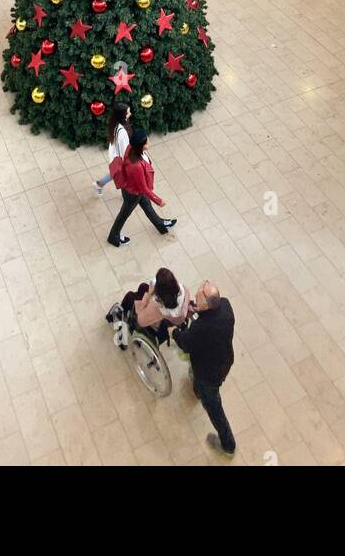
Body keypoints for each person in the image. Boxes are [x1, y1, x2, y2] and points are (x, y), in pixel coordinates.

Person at [173, 281, 236, 456]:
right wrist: (197, 309)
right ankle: (199, 391)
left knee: (214, 407)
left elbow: (186, 344)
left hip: (208, 373)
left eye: (200, 292)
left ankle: (228, 444)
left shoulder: (201, 328)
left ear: (206, 304)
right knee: (199, 383)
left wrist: (174, 332)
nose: (200, 287)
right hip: (224, 359)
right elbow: (207, 318)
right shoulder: (225, 306)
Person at [107, 128, 177, 247]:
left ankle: (160, 225)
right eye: (147, 142)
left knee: (147, 207)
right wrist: (159, 201)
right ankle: (113, 237)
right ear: (141, 146)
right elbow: (144, 188)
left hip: (133, 189)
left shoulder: (131, 149)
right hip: (133, 194)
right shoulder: (136, 166)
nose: (149, 142)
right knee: (124, 215)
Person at [121, 267, 192, 345]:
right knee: (143, 286)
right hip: (173, 321)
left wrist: (149, 295)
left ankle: (121, 312)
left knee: (130, 296)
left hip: (157, 324)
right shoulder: (184, 290)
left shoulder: (158, 306)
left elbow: (141, 320)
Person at [94, 99, 131, 195]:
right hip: (120, 158)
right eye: (128, 112)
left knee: (114, 174)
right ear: (122, 115)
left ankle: (99, 184)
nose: (130, 114)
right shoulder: (122, 132)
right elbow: (125, 150)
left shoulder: (115, 123)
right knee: (122, 176)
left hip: (115, 156)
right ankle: (126, 196)